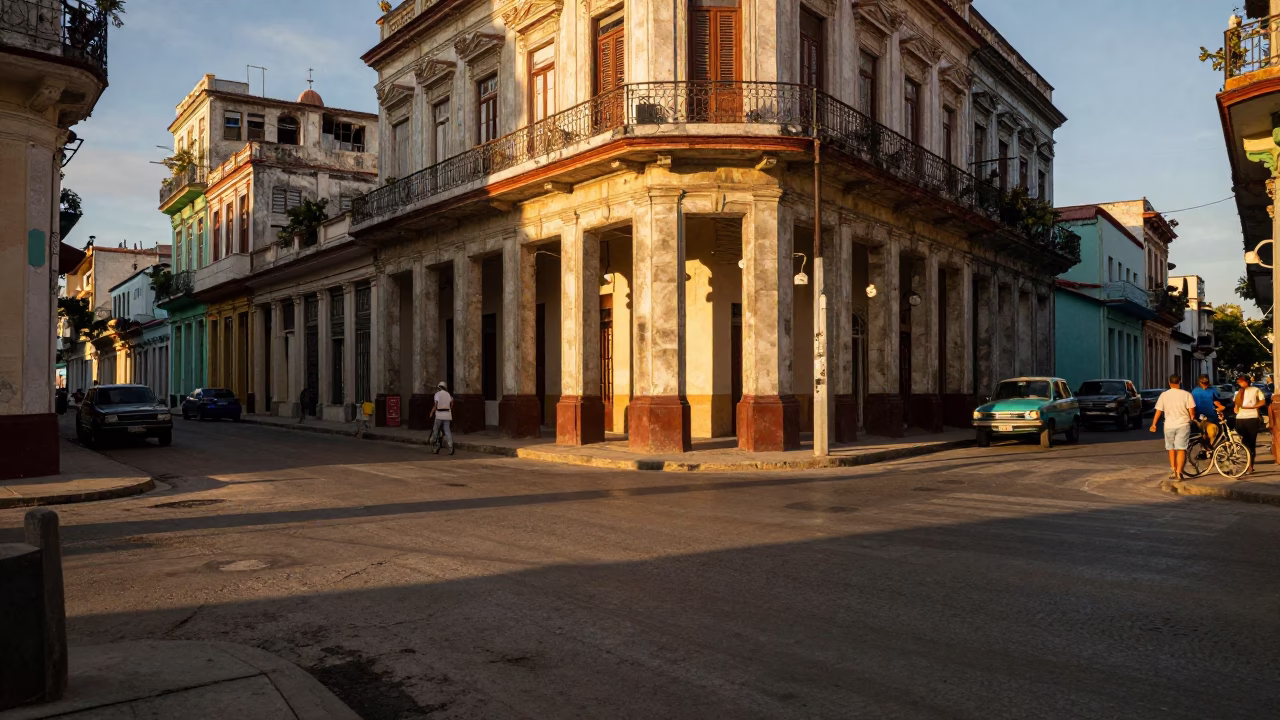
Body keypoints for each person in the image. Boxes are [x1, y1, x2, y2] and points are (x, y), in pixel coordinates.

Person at [1150, 374, 1197, 481]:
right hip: (1183, 425)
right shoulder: (1187, 394)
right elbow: (1192, 411)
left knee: (1171, 448)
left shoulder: (1164, 395)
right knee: (1181, 449)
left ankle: (1173, 469)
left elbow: (1158, 411)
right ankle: (1179, 473)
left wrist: (1153, 424)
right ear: (1179, 382)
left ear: (1169, 383)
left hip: (1169, 425)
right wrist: (1193, 418)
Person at [1234, 374, 1266, 475]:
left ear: (1247, 381)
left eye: (1242, 381)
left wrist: (1253, 406)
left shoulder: (1256, 390)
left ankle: (1250, 466)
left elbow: (1263, 402)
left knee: (1251, 443)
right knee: (1242, 442)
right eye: (1239, 382)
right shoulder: (1238, 392)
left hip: (1252, 418)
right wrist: (1235, 409)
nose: (1240, 383)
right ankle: (1244, 464)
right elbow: (1235, 406)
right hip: (1240, 418)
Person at [1191, 374, 1226, 449]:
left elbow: (1216, 402)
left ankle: (1209, 449)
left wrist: (1220, 410)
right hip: (1199, 417)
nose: (1204, 385)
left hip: (1211, 417)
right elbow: (1191, 405)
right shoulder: (1194, 392)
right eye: (1203, 383)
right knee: (1206, 434)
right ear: (1199, 382)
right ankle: (1207, 449)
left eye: (1206, 383)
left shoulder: (1212, 390)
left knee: (1212, 433)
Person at [430, 381, 455, 455]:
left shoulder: (437, 394)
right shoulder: (448, 394)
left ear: (439, 387)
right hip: (447, 415)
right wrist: (449, 406)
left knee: (436, 429)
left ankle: (433, 441)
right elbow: (452, 402)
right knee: (447, 430)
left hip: (439, 415)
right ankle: (450, 446)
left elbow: (435, 405)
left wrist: (431, 413)